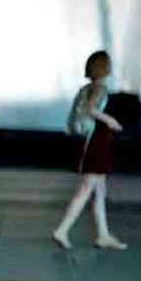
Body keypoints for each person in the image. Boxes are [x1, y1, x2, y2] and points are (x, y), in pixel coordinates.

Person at [52, 50, 127, 250]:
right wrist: (111, 121)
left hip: (88, 141)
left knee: (99, 190)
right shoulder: (100, 88)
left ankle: (103, 234)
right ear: (104, 67)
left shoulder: (85, 88)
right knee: (87, 188)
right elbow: (91, 109)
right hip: (95, 143)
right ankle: (62, 230)